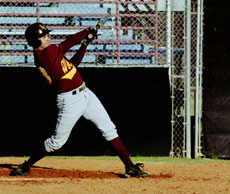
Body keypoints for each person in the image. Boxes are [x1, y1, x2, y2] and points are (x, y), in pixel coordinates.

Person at [9, 23, 148, 178]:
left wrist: (84, 44)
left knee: (109, 129)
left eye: (47, 35)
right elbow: (67, 44)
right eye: (43, 37)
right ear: (35, 41)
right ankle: (27, 165)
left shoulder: (51, 53)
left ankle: (130, 167)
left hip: (85, 93)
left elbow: (73, 65)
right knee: (56, 142)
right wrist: (86, 31)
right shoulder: (45, 55)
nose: (48, 38)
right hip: (69, 100)